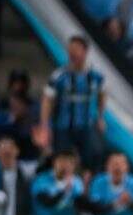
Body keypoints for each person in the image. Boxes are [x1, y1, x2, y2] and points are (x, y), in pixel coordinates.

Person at [41, 35, 107, 165]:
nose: (72, 53)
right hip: (63, 127)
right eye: (70, 49)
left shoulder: (96, 76)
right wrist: (44, 124)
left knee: (91, 160)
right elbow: (47, 100)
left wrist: (100, 116)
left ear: (85, 51)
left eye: (76, 49)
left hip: (86, 126)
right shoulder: (59, 76)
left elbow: (102, 94)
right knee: (61, 160)